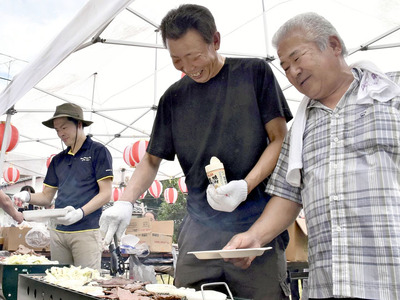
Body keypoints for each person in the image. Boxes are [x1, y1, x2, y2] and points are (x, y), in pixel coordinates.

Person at [100, 4, 292, 299]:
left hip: (256, 221)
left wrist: (245, 185)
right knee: (184, 295)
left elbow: (279, 138)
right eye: (177, 60)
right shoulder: (174, 98)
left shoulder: (254, 73)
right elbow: (152, 159)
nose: (189, 68)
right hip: (199, 225)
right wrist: (125, 202)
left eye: (195, 56)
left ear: (215, 40)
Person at [222, 12, 400, 300]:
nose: (293, 72)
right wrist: (253, 238)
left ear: (333, 45)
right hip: (328, 284)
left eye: (297, 58)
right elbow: (288, 196)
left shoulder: (390, 94)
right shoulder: (300, 128)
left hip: (390, 278)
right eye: (286, 67)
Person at [13, 103, 113, 270]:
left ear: (79, 124)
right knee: (59, 282)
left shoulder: (98, 151)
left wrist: (80, 213)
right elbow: (46, 197)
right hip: (58, 232)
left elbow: (106, 194)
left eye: (64, 128)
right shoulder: (58, 160)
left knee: (85, 286)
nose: (60, 134)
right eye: (57, 130)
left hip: (86, 231)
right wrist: (27, 196)